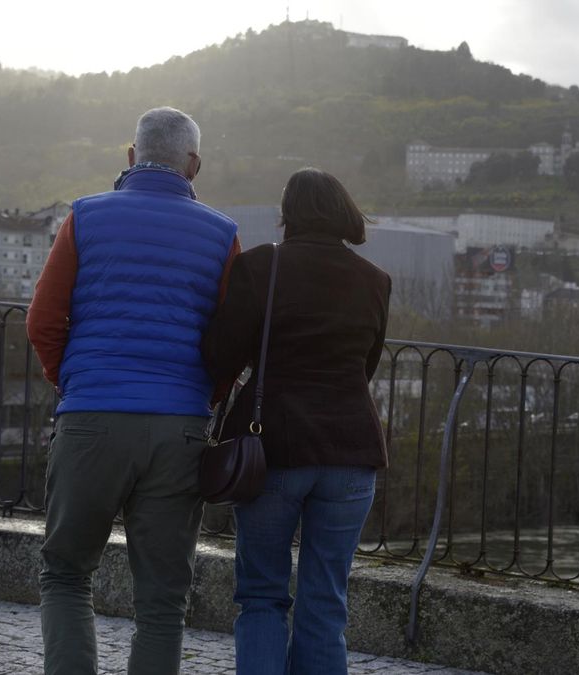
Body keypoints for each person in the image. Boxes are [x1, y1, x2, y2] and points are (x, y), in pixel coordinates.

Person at [27, 106, 241, 675]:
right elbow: (230, 341)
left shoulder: (85, 217)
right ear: (193, 165)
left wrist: (73, 382)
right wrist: (205, 399)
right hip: (180, 429)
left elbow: (42, 321)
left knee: (67, 574)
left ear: (130, 156)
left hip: (92, 417)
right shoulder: (223, 236)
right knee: (164, 601)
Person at [203, 168, 391, 674]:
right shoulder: (375, 281)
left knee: (262, 595)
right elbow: (364, 368)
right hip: (353, 453)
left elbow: (220, 356)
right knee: (325, 603)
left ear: (288, 213)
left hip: (273, 451)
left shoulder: (263, 266)